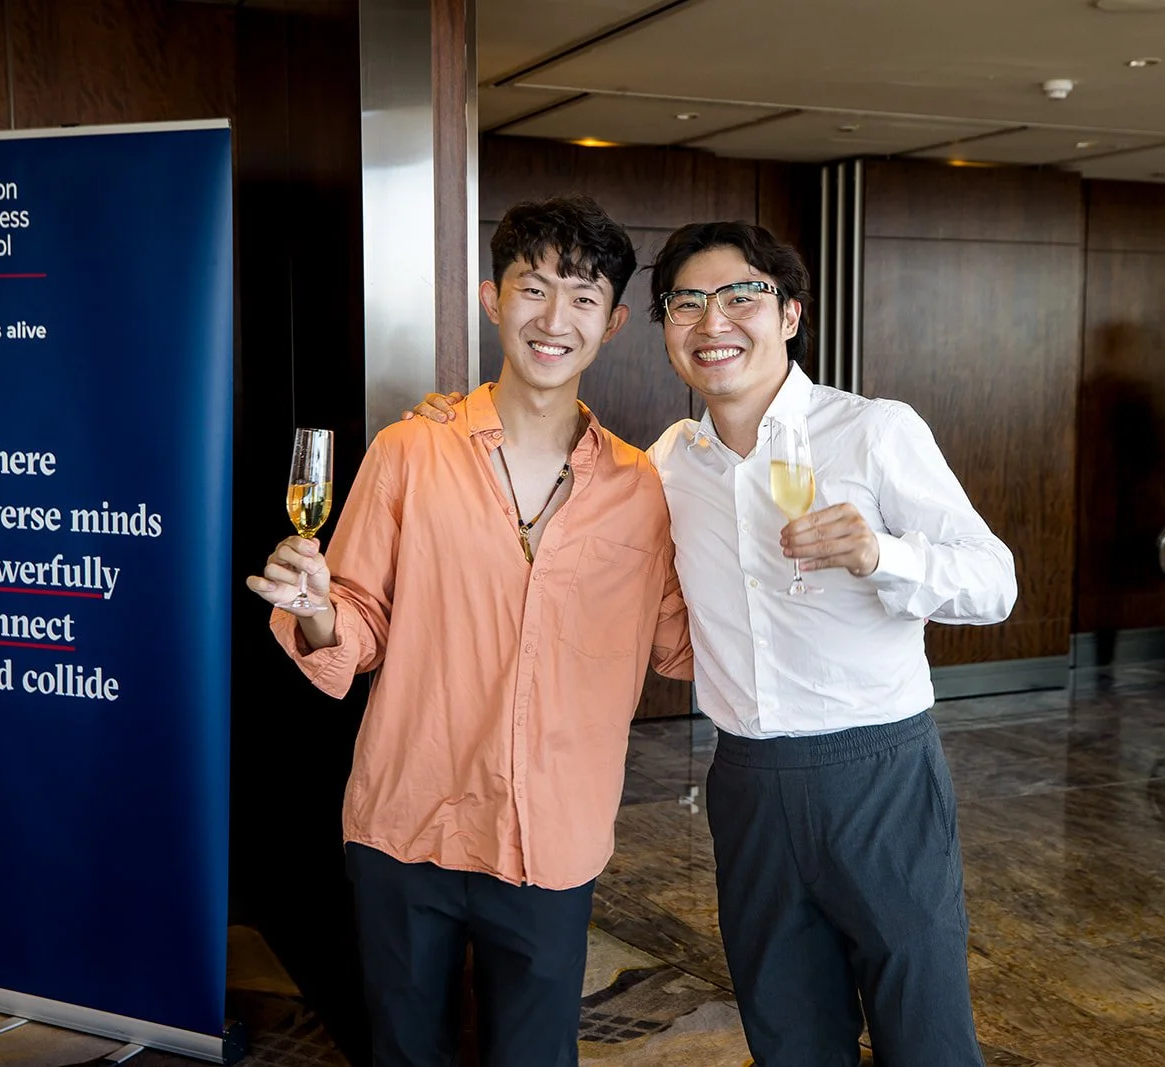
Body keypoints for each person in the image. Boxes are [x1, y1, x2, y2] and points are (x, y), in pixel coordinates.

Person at [411, 220, 1015, 1066]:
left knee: (927, 1031)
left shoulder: (874, 432)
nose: (712, 322)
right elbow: (561, 465)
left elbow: (995, 582)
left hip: (879, 772)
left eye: (741, 297)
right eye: (686, 303)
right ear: (662, 331)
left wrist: (884, 554)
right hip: (747, 780)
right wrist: (448, 418)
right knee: (787, 1029)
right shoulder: (666, 465)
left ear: (791, 314)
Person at [248, 194, 693, 1067]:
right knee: (406, 1053)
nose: (553, 318)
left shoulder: (641, 489)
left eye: (582, 296)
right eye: (534, 289)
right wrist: (314, 610)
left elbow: (680, 646)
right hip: (409, 819)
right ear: (494, 298)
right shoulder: (410, 450)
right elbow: (358, 623)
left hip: (551, 836)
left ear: (614, 321)